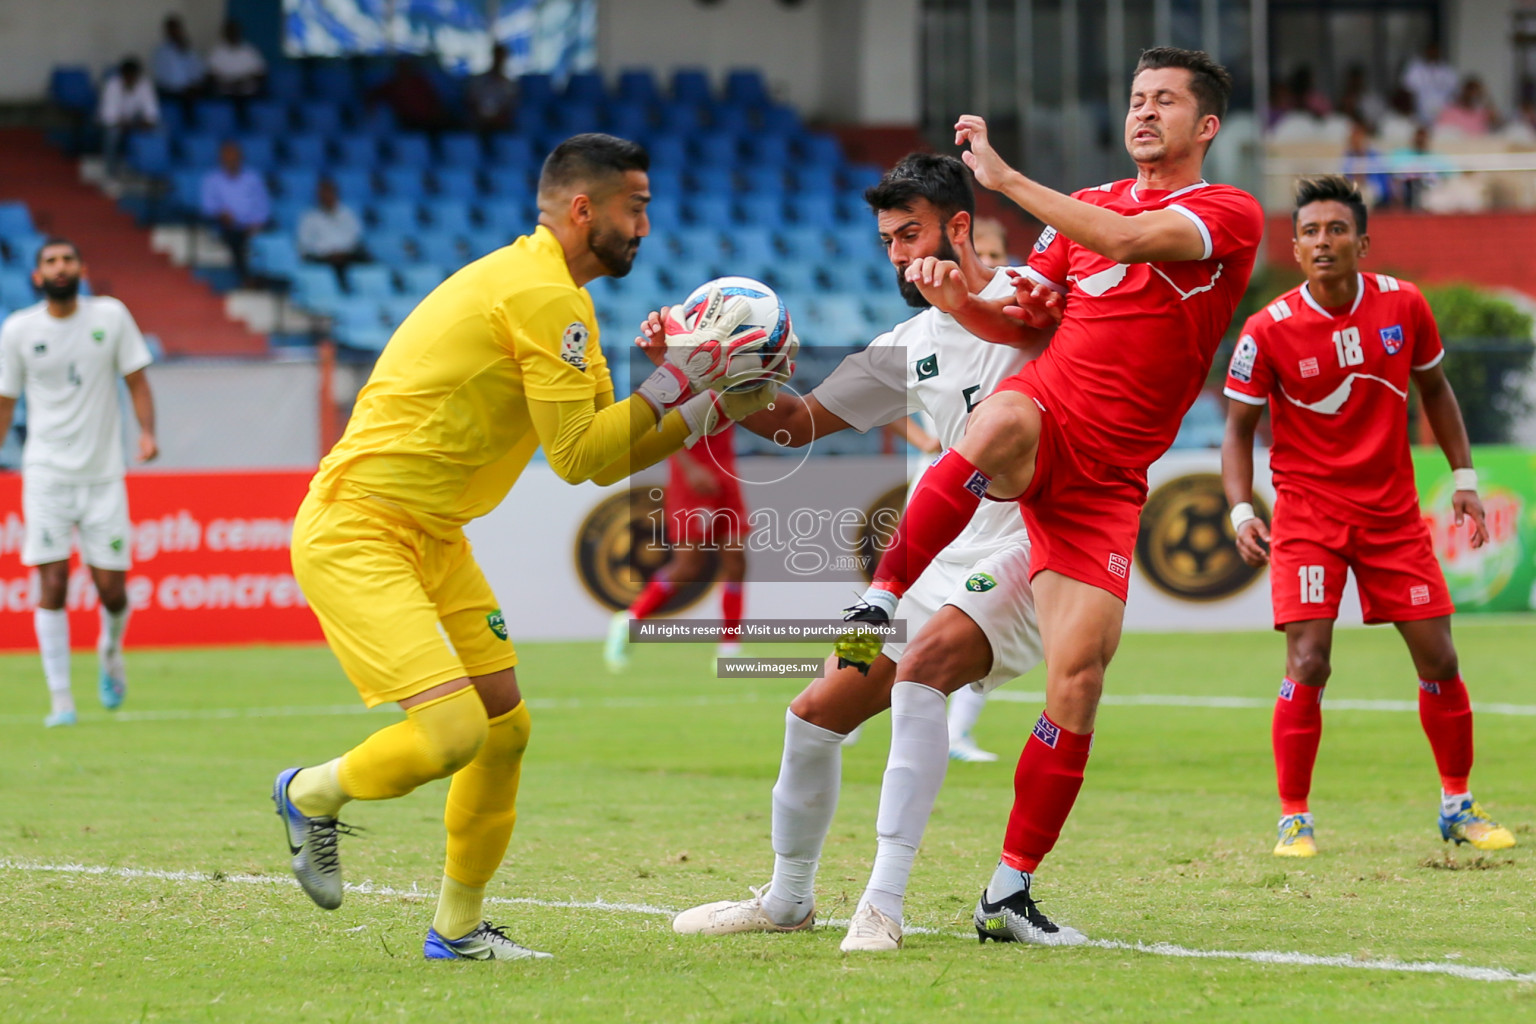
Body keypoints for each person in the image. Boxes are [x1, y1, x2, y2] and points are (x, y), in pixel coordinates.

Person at [271, 133, 788, 962]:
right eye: (635, 207)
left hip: (432, 533)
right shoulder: (541, 296)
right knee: (452, 735)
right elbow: (581, 455)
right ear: (584, 209)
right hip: (359, 526)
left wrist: (707, 403)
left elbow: (607, 453)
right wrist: (686, 380)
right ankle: (307, 793)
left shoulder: (564, 300)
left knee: (504, 729)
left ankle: (457, 931)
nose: (646, 226)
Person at [834, 47, 1264, 942]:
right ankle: (879, 597)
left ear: (1206, 126)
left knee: (1078, 676)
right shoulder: (1085, 211)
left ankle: (1008, 891)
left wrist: (1002, 178)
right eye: (1137, 97)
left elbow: (1133, 243)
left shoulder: (1226, 213)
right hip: (1048, 411)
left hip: (1111, 479)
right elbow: (1019, 319)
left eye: (1165, 102)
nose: (1144, 112)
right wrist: (959, 302)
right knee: (993, 425)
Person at [669, 152, 1060, 953]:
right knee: (814, 714)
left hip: (1030, 548)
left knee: (922, 675)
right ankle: (787, 901)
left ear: (959, 227)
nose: (897, 256)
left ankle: (882, 903)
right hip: (924, 566)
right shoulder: (905, 343)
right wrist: (712, 374)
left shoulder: (1034, 299)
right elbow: (796, 423)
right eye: (886, 240)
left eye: (910, 234)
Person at [1220, 175, 1515, 859]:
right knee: (1310, 660)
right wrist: (1240, 509)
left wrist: (1463, 478)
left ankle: (1457, 805)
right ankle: (1294, 817)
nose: (1324, 242)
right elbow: (1238, 428)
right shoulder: (1268, 330)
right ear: (1294, 248)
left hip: (1391, 517)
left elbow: (1435, 389)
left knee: (1440, 656)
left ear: (1362, 241)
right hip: (1309, 518)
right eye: (1311, 232)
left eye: (1337, 230)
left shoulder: (1404, 306)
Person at [0, 239, 158, 727]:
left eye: (67, 260)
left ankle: (110, 652)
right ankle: (61, 701)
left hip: (103, 474)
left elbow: (136, 379)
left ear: (82, 269)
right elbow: (6, 400)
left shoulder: (109, 317)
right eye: (50, 261)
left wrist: (148, 431)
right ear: (37, 276)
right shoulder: (20, 329)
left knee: (112, 590)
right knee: (52, 581)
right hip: (46, 473)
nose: (60, 267)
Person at [605, 420, 749, 670]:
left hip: (726, 472)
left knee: (736, 562)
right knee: (688, 567)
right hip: (691, 477)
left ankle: (729, 650)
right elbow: (663, 425)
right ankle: (631, 619)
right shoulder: (686, 382)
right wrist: (690, 468)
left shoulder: (730, 381)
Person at [200, 140, 270, 286]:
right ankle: (246, 278)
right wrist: (221, 214)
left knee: (273, 236)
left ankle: (271, 279)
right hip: (227, 225)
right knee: (236, 238)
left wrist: (257, 223)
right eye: (227, 157)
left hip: (254, 225)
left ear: (241, 158)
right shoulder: (211, 179)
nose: (231, 160)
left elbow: (263, 204)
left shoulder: (253, 178)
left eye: (235, 157)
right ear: (220, 159)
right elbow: (208, 207)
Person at [297, 178, 367, 287]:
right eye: (323, 194)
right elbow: (304, 243)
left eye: (330, 193)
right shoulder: (309, 217)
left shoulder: (347, 214)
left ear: (336, 194)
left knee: (366, 261)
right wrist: (328, 253)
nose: (327, 197)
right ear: (318, 196)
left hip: (346, 255)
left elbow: (355, 237)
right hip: (322, 257)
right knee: (329, 267)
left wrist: (343, 251)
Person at [98, 57, 160, 177]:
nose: (131, 79)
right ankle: (110, 171)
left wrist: (147, 122)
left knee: (160, 130)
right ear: (122, 75)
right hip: (114, 123)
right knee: (112, 134)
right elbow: (108, 116)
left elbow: (152, 112)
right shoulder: (112, 85)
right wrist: (128, 124)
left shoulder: (144, 85)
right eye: (128, 76)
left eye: (134, 76)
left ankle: (151, 169)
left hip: (134, 121)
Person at [368, 56, 451, 132]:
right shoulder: (392, 85)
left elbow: (434, 102)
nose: (405, 70)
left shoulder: (420, 82)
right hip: (409, 122)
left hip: (430, 121)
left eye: (407, 67)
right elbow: (373, 95)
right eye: (402, 67)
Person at [151, 15, 206, 104]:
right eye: (171, 29)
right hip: (169, 89)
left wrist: (194, 85)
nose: (174, 32)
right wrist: (180, 87)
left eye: (176, 29)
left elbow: (198, 71)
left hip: (188, 89)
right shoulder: (161, 52)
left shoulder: (189, 50)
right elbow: (161, 76)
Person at [1401, 42, 1459, 126]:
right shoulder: (1415, 69)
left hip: (1443, 115)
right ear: (1425, 52)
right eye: (1430, 51)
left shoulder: (1447, 70)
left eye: (1435, 51)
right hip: (1419, 113)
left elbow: (1455, 92)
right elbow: (1407, 91)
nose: (1432, 53)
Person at [206, 19, 266, 98]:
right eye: (230, 31)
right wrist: (227, 83)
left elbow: (261, 74)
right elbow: (210, 76)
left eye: (234, 31)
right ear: (225, 33)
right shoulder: (217, 52)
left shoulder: (249, 51)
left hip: (247, 92)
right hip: (224, 92)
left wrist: (244, 81)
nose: (232, 34)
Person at [466, 43, 517, 133]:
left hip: (500, 125)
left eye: (502, 57)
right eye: (497, 57)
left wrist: (497, 118)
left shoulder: (509, 85)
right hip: (478, 122)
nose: (499, 60)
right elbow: (471, 101)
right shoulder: (479, 80)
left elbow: (510, 106)